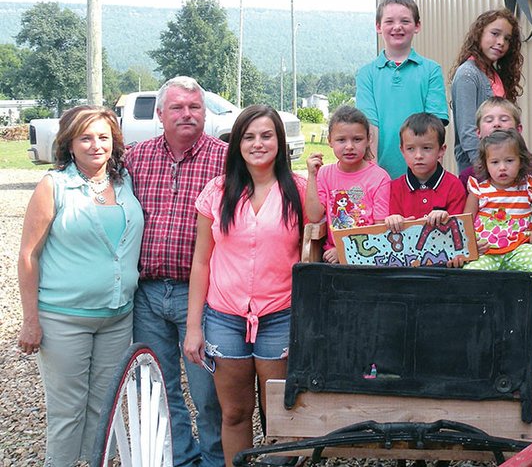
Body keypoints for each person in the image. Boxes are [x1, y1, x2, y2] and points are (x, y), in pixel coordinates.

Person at [17, 106, 144, 466]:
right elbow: (29, 256)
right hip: (64, 319)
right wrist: (31, 320)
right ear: (69, 144)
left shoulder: (125, 183)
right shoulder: (53, 186)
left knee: (105, 409)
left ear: (114, 142)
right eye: (85, 138)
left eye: (103, 137)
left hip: (117, 318)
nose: (95, 145)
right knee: (67, 412)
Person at [183, 105, 305, 465]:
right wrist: (193, 327)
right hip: (225, 317)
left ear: (280, 142)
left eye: (266, 136)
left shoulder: (298, 191)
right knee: (234, 412)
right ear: (236, 144)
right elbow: (201, 261)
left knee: (279, 417)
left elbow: (312, 255)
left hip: (279, 316)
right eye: (249, 137)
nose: (258, 144)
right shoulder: (217, 192)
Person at [126, 76, 226, 466]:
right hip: (147, 293)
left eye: (195, 107)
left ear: (205, 112)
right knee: (160, 387)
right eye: (178, 108)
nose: (187, 114)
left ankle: (216, 458)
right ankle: (182, 457)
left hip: (198, 292)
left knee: (208, 391)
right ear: (159, 113)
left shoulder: (226, 159)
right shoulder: (137, 158)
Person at [458, 97, 532, 371]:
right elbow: (466, 221)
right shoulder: (475, 183)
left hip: (520, 247)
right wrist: (470, 247)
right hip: (488, 251)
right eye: (496, 162)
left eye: (509, 161)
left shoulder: (530, 180)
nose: (503, 167)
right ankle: (472, 335)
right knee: (468, 276)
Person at [356, 0, 449, 179]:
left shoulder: (431, 70)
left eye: (405, 21)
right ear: (378, 26)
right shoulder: (367, 74)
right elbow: (369, 126)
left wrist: (425, 172)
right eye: (389, 21)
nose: (397, 27)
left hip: (423, 174)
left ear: (417, 26)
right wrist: (373, 175)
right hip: (381, 175)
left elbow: (435, 124)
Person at [459, 97, 532, 248]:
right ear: (478, 132)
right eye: (489, 120)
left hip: (525, 245)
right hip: (486, 248)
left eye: (504, 119)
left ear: (518, 130)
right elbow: (464, 219)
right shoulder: (470, 177)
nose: (496, 124)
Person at [306, 105, 391, 263]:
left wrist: (347, 251)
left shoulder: (379, 178)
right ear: (330, 141)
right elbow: (314, 216)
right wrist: (312, 175)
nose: (349, 146)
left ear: (368, 139)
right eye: (341, 140)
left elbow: (381, 229)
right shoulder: (325, 174)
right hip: (333, 258)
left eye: (357, 139)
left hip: (369, 257)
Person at [450, 8, 524, 173]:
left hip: (502, 169)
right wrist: (484, 169)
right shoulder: (468, 74)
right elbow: (467, 132)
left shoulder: (495, 74)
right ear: (479, 34)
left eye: (507, 39)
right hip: (480, 171)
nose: (501, 42)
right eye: (495, 34)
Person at [384, 112, 466, 233]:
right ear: (402, 151)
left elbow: (459, 231)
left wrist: (446, 219)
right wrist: (393, 220)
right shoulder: (394, 188)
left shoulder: (454, 185)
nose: (418, 156)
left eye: (426, 148)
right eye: (410, 149)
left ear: (441, 150)